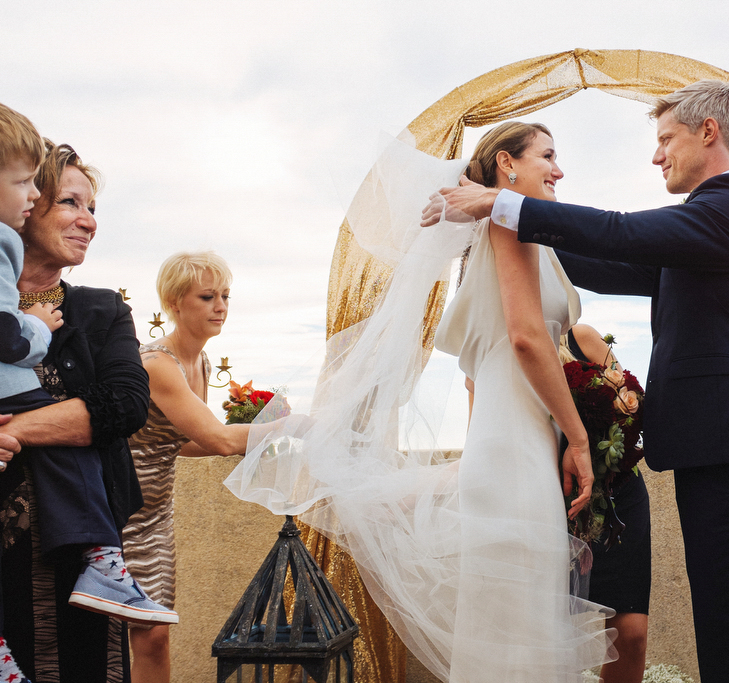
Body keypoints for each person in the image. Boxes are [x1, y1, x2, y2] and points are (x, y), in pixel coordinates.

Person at [429, 81, 729, 683]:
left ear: (708, 131)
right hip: (727, 443)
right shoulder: (706, 228)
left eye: (666, 140)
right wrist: (512, 224)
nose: (657, 156)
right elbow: (608, 262)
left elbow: (620, 231)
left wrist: (502, 206)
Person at [227, 124, 614, 682]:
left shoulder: (502, 232)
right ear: (507, 163)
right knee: (517, 634)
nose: (559, 169)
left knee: (507, 631)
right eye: (548, 156)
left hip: (505, 450)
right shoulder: (510, 225)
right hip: (517, 457)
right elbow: (528, 339)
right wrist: (577, 438)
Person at [0, 140, 152, 682]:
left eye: (93, 208)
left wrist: (13, 429)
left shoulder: (101, 309)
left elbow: (124, 405)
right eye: (70, 202)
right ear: (25, 203)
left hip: (81, 557)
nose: (88, 221)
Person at [122, 251, 252, 683]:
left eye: (226, 296)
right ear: (175, 303)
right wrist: (300, 428)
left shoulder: (203, 361)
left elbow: (183, 443)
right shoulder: (158, 364)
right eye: (207, 296)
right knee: (145, 633)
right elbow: (217, 438)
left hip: (157, 514)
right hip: (119, 509)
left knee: (155, 634)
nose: (221, 306)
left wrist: (250, 442)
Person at [557, 324, 650, 683]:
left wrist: (601, 440)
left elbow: (631, 405)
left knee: (632, 636)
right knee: (548, 637)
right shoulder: (498, 351)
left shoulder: (579, 338)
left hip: (618, 497)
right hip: (550, 503)